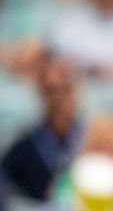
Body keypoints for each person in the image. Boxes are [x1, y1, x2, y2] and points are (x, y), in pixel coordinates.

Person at [0, 54, 80, 203]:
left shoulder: (89, 141)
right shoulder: (24, 145)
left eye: (65, 90)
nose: (59, 99)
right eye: (51, 91)